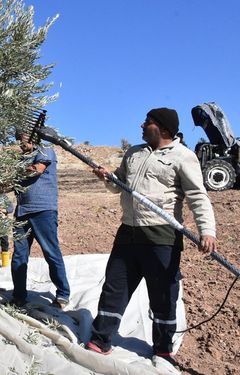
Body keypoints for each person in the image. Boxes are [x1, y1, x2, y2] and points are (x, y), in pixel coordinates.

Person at [87, 108, 216, 369]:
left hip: (162, 236)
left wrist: (207, 230)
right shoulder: (134, 153)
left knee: (163, 295)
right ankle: (101, 340)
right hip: (128, 233)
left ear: (164, 129)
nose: (142, 125)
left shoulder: (183, 157)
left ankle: (163, 350)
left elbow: (197, 196)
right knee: (114, 287)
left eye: (148, 122)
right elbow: (119, 184)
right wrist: (107, 177)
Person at [10, 131, 70, 308]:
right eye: (18, 139)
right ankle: (19, 296)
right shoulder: (21, 158)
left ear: (32, 136)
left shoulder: (45, 149)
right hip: (21, 212)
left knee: (51, 252)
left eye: (22, 139)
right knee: (19, 256)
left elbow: (36, 170)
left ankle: (63, 294)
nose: (20, 143)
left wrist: (15, 173)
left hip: (43, 210)